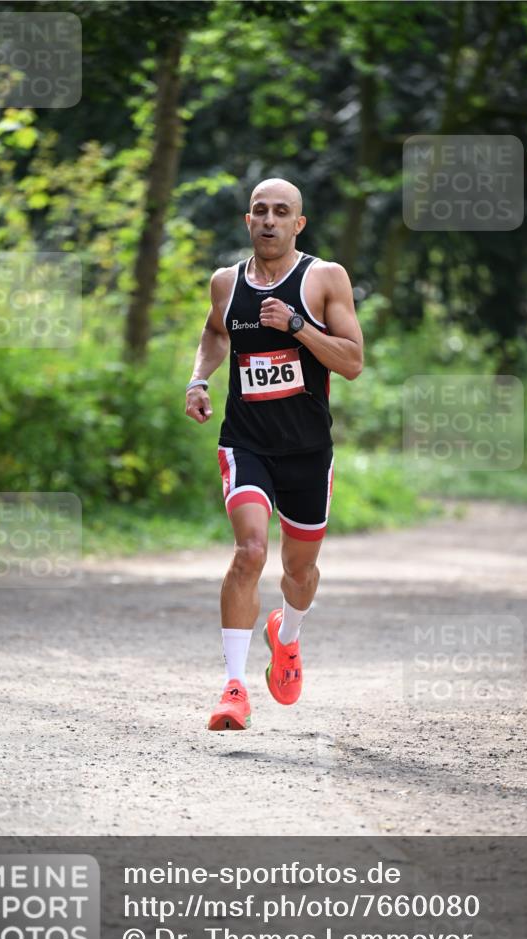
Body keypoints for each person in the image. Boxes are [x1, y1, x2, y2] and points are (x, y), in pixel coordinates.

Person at [185, 177, 363, 730]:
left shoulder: (324, 278)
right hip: (247, 443)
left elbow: (352, 361)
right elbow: (215, 333)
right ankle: (233, 687)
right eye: (259, 210)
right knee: (250, 551)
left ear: (297, 224)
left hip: (308, 450)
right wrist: (199, 380)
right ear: (248, 220)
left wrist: (298, 326)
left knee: (300, 571)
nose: (268, 220)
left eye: (280, 212)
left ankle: (287, 638)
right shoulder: (226, 282)